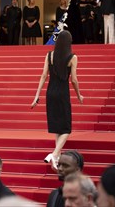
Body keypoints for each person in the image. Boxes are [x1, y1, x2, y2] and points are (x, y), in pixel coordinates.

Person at [31, 31, 84, 171]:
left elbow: (43, 76)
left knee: (57, 126)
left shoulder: (49, 55)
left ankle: (58, 158)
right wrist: (79, 95)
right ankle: (54, 154)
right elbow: (74, 80)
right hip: (62, 93)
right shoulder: (72, 57)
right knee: (66, 128)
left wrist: (36, 96)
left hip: (50, 93)